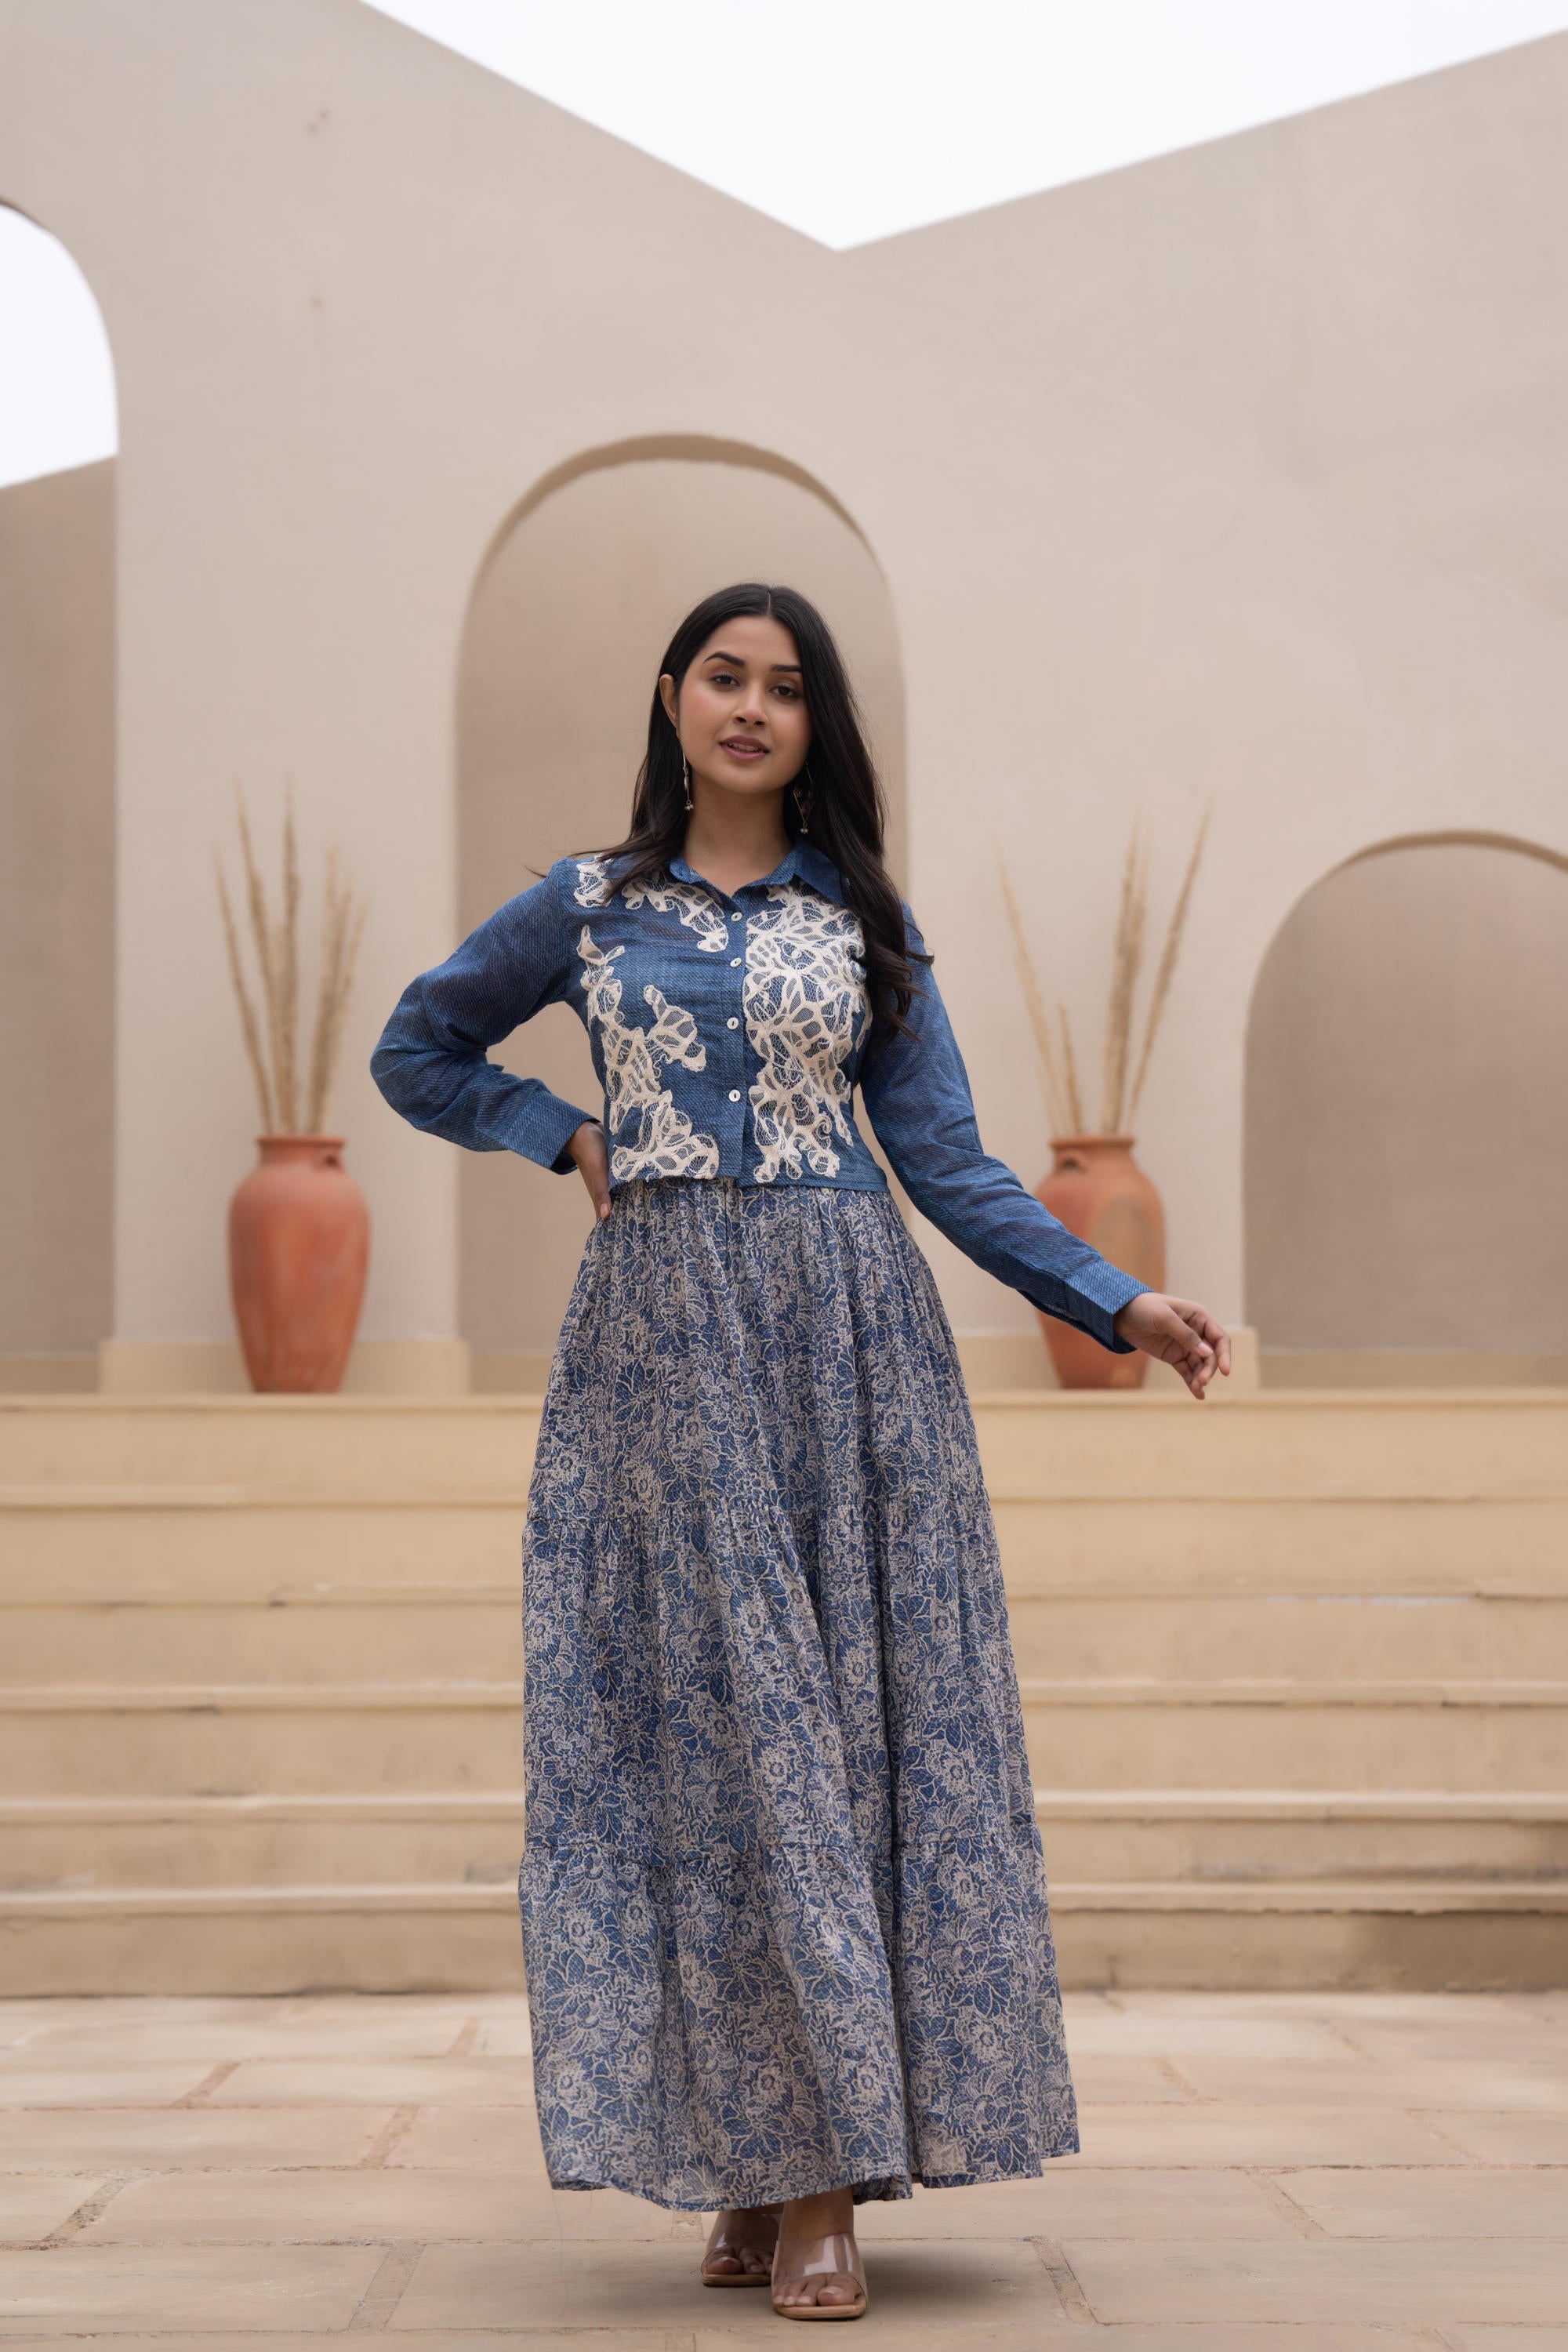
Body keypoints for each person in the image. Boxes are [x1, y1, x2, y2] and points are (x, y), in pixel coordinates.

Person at [371, 583, 1229, 2321]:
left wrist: (1115, 1300)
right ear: (673, 697)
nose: (752, 707)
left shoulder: (862, 920)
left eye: (785, 687)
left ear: (816, 724)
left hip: (848, 1359)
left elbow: (951, 1164)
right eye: (724, 676)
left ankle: (815, 2178)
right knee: (707, 1753)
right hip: (661, 1359)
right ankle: (759, 2153)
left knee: (830, 1746)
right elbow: (418, 1049)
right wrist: (561, 1133)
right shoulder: (587, 905)